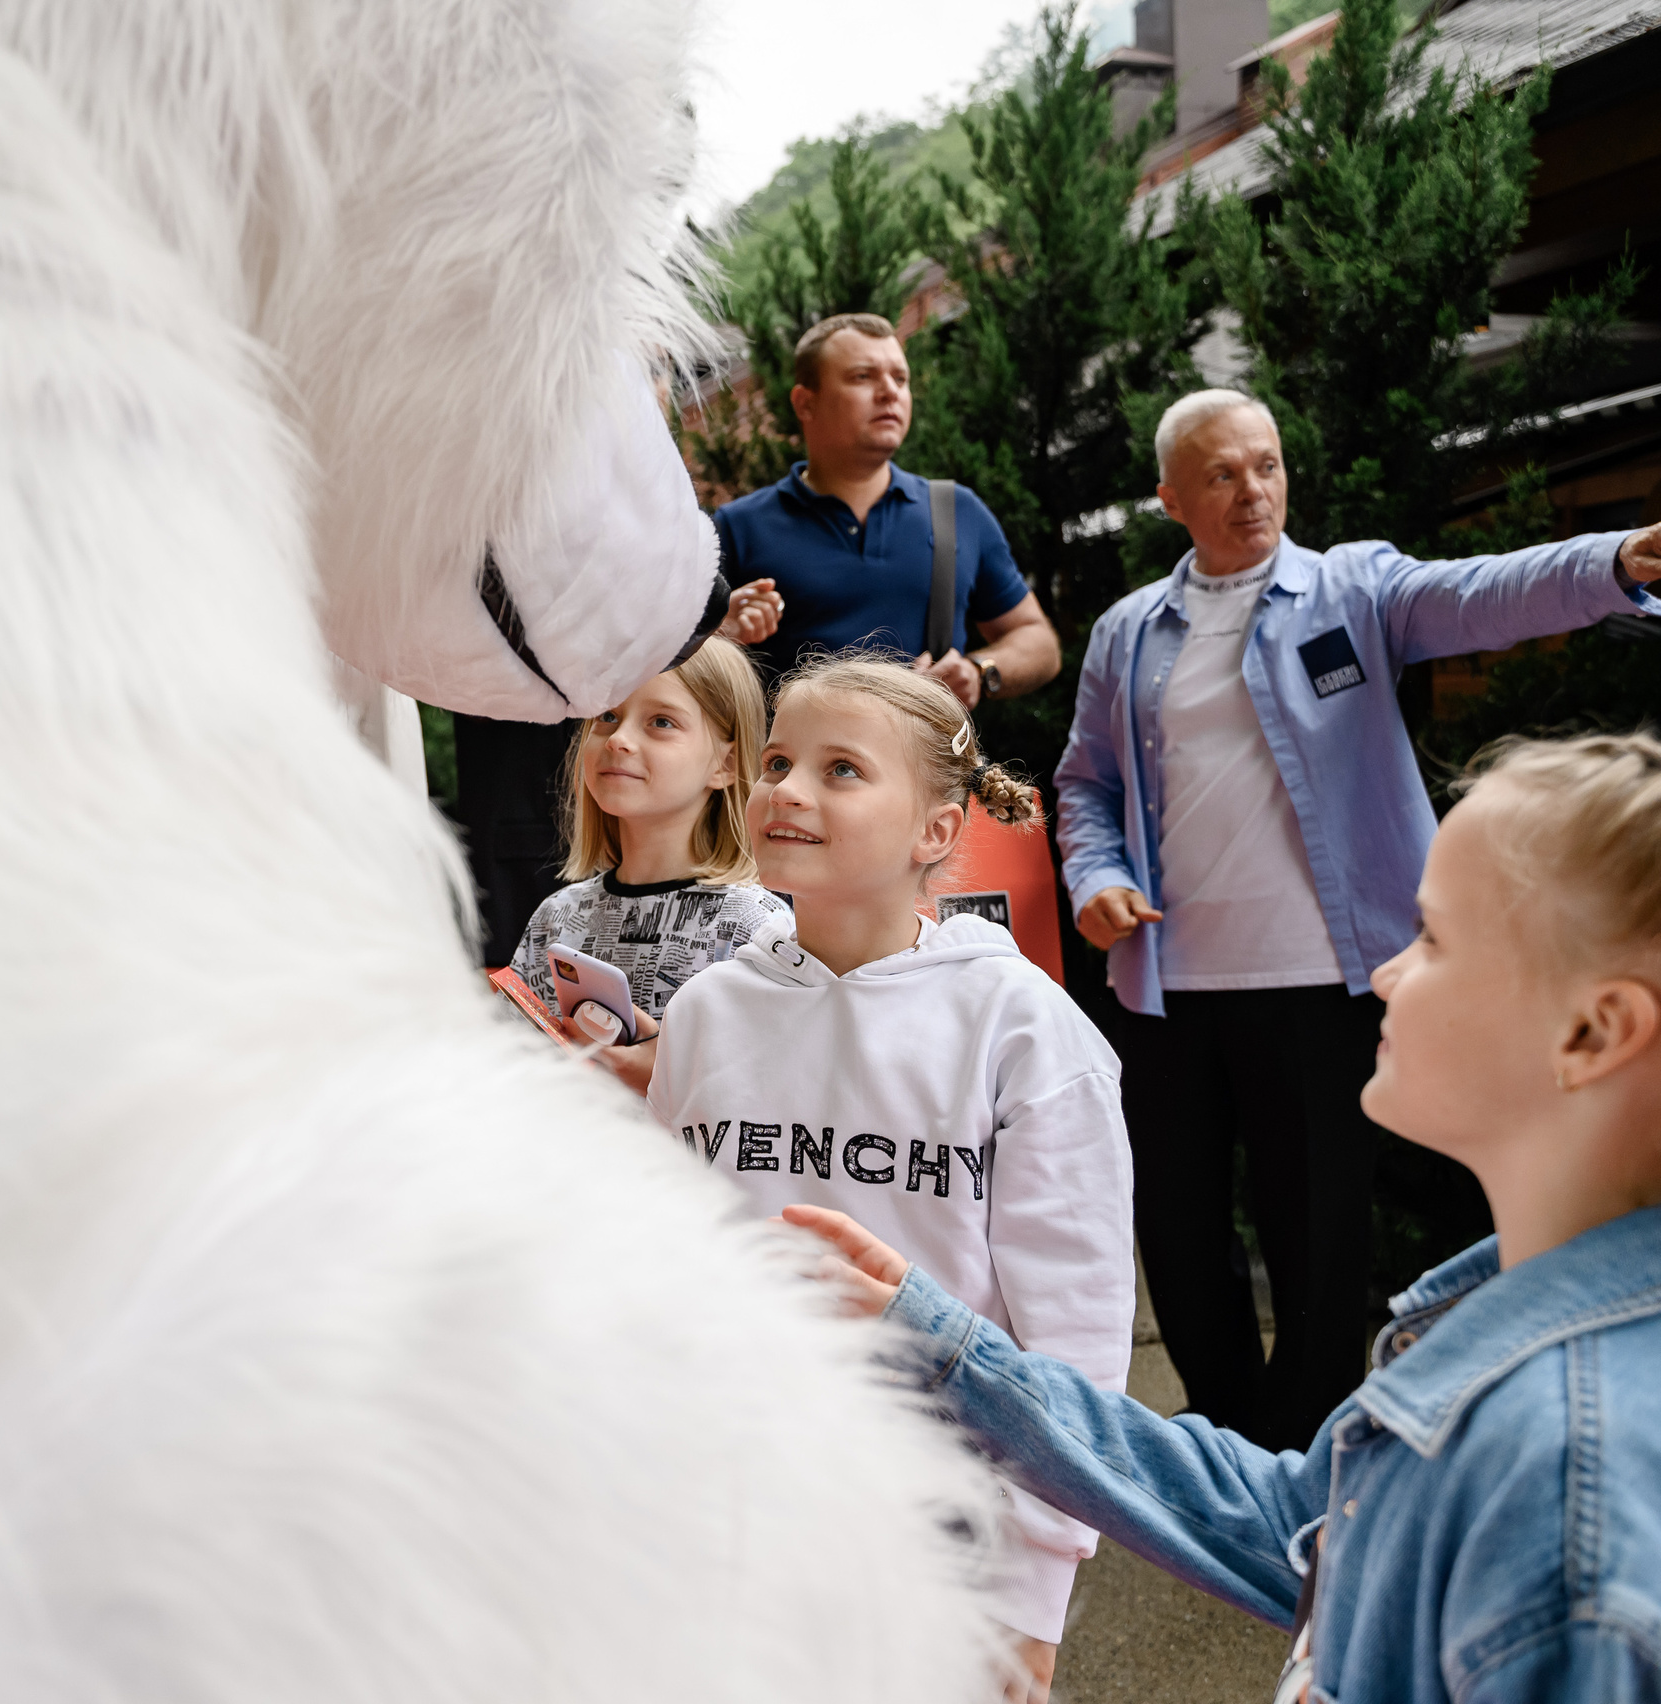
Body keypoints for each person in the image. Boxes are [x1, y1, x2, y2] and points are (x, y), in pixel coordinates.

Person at [796, 729, 1661, 1703]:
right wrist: (951, 1347)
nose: (1385, 971)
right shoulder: (1500, 1332)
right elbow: (1296, 1521)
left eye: (1430, 938)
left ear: (1592, 1032)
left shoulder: (1565, 1483)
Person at [1054, 389, 1661, 1449]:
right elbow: (1085, 784)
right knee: (1180, 1227)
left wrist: (1616, 559)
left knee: (1320, 1231)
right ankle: (1219, 1439)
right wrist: (1092, 876)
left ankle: (1305, 1449)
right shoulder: (1126, 631)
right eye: (1222, 475)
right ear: (1170, 499)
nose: (1252, 490)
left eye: (1266, 464)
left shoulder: (1353, 590)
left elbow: (1481, 593)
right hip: (1165, 986)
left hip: (1320, 983)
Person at [646, 656, 1134, 1702]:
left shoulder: (1025, 1028)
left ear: (937, 833)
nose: (786, 789)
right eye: (777, 760)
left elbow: (1077, 1324)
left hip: (948, 1522)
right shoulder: (706, 1013)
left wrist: (1031, 1595)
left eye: (840, 770)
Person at [711, 313, 1059, 708]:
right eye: (863, 377)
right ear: (805, 403)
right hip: (789, 769)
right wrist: (720, 633)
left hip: (927, 768)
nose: (890, 392)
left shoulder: (957, 511)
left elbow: (1038, 641)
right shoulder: (737, 528)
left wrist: (980, 670)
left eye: (900, 378)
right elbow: (676, 669)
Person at [510, 638, 787, 1091]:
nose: (618, 740)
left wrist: (665, 1076)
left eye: (661, 722)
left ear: (727, 763)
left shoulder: (756, 926)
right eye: (607, 716)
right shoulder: (556, 916)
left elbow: (773, 1092)